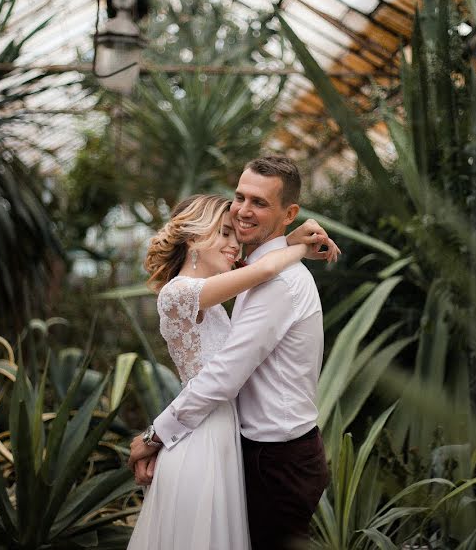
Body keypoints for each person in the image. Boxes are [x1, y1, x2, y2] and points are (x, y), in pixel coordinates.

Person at [129, 156, 334, 550]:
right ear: (192, 238)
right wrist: (294, 243)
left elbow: (221, 377)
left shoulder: (276, 283)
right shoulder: (233, 279)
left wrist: (155, 436)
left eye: (259, 202)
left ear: (288, 212)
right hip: (228, 445)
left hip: (276, 460)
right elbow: (254, 268)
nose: (242, 212)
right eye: (240, 197)